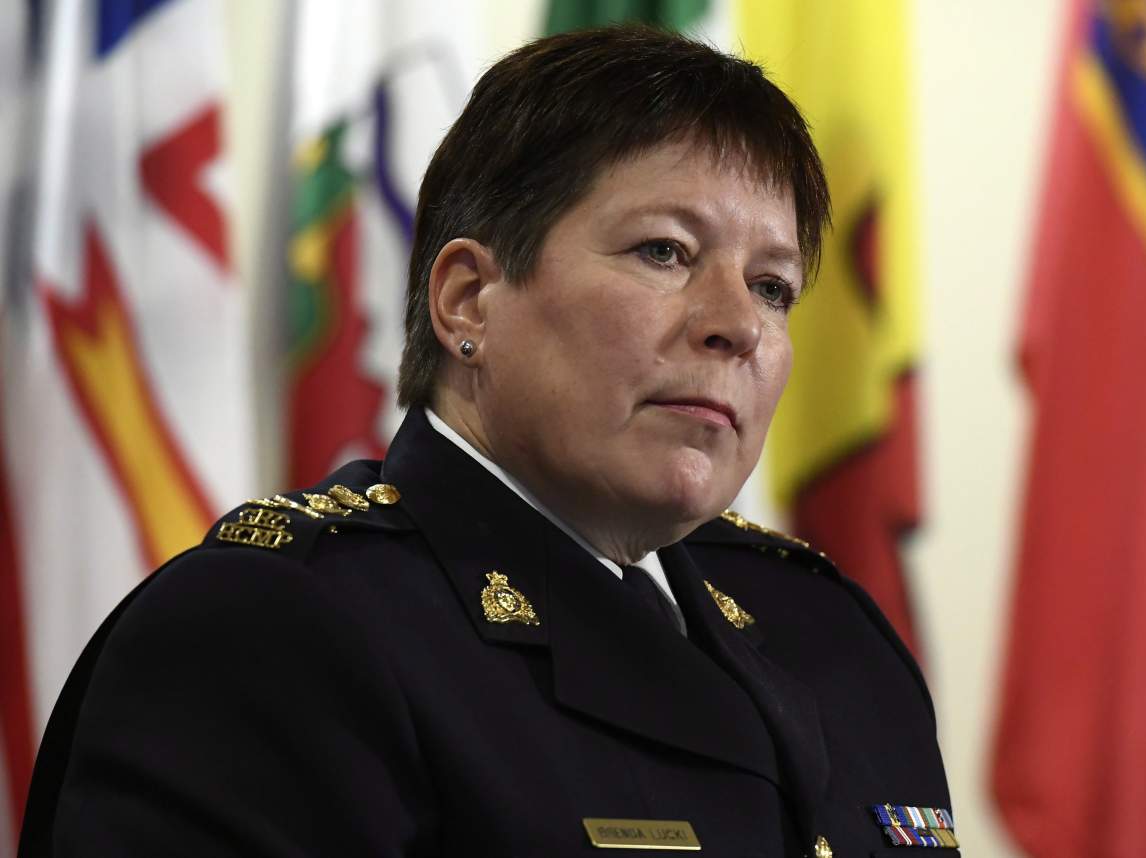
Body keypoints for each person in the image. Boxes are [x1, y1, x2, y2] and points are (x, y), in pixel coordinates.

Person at [20, 25, 955, 858]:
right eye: (664, 251)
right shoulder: (273, 632)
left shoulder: (832, 636)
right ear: (469, 299)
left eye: (772, 286)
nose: (737, 325)